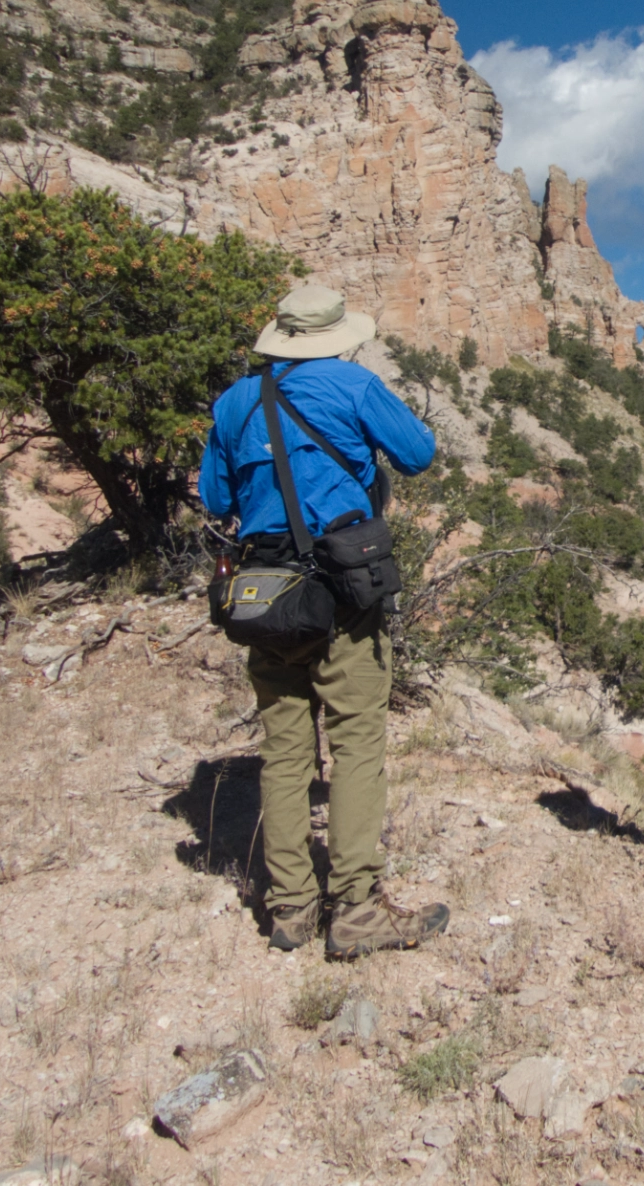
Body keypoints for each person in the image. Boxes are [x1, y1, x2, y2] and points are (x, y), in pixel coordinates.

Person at [199, 282, 449, 959]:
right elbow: (420, 453)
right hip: (341, 589)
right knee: (357, 743)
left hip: (266, 592)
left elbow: (217, 497)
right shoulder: (351, 385)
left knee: (283, 752)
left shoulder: (233, 402)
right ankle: (357, 911)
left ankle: (290, 910)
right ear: (337, 336)